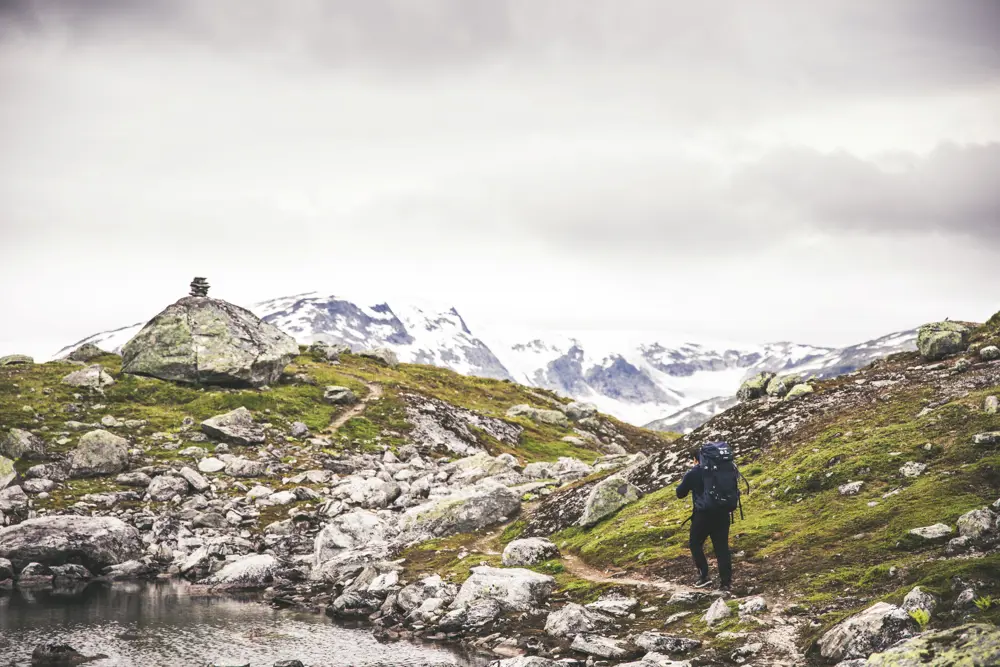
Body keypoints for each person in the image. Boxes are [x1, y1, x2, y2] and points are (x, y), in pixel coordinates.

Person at [676, 446, 733, 591]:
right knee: (722, 549)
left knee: (695, 543)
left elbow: (680, 493)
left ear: (696, 459)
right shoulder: (723, 469)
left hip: (703, 515)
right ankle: (725, 583)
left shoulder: (693, 473)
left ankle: (704, 576)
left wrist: (689, 476)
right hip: (723, 513)